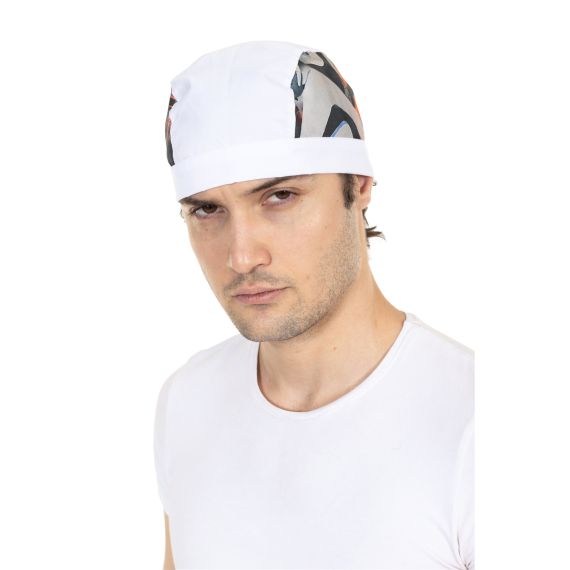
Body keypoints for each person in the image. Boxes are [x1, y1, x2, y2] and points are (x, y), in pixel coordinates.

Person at [154, 40, 474, 570]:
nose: (241, 256)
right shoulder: (187, 400)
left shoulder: (473, 422)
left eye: (280, 197)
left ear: (360, 185)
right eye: (207, 210)